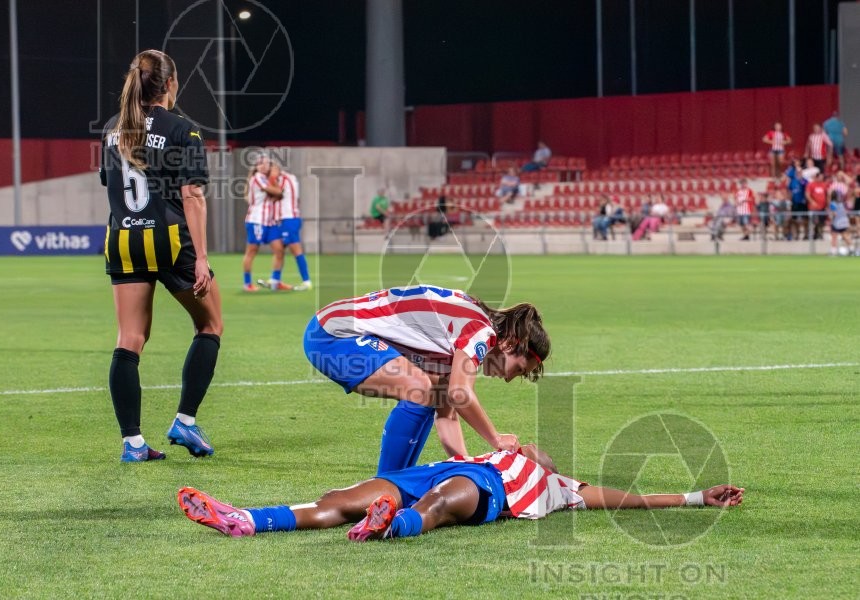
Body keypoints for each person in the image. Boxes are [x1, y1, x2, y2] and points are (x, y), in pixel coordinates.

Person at [177, 443, 744, 541]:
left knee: (443, 503)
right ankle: (246, 519)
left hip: (484, 492)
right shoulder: (490, 450)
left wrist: (695, 498)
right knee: (338, 497)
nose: (536, 448)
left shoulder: (562, 487)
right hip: (436, 468)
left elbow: (629, 500)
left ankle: (390, 525)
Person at [99, 49, 220, 462]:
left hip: (121, 238)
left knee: (129, 339)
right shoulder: (181, 129)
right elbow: (192, 194)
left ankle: (132, 443)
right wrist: (201, 256)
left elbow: (111, 187)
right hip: (169, 239)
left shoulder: (113, 129)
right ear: (170, 84)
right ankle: (185, 421)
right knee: (210, 325)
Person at [303, 285, 549, 475]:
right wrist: (495, 438)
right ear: (509, 344)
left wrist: (466, 467)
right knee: (421, 390)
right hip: (334, 333)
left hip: (332, 329)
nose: (508, 379)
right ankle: (384, 486)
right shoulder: (481, 330)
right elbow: (459, 393)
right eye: (518, 369)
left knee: (429, 393)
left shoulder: (461, 338)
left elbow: (447, 416)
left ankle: (391, 486)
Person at [257, 164, 312, 291]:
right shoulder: (286, 178)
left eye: (270, 171)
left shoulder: (285, 179)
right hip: (281, 220)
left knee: (295, 249)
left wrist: (270, 181)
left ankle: (306, 281)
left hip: (289, 219)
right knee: (278, 250)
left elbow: (277, 193)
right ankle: (275, 281)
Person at [241, 153, 281, 292]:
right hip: (257, 221)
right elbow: (277, 191)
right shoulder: (257, 178)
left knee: (279, 249)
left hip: (268, 222)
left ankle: (275, 281)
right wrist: (274, 179)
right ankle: (247, 284)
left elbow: (278, 195)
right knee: (251, 251)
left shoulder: (266, 178)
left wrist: (274, 182)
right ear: (256, 167)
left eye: (266, 164)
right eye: (260, 164)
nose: (263, 166)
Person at [828, 171, 853, 255]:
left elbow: (833, 214)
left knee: (834, 236)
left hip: (837, 222)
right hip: (844, 221)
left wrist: (831, 218)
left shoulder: (833, 204)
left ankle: (833, 251)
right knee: (845, 235)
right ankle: (852, 249)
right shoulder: (842, 203)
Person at [785, 158, 808, 240]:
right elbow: (790, 191)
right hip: (794, 202)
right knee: (794, 220)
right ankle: (796, 234)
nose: (799, 173)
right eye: (797, 172)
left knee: (805, 219)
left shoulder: (804, 181)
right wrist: (789, 201)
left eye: (800, 172)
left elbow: (807, 190)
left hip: (802, 202)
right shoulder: (792, 181)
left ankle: (806, 234)